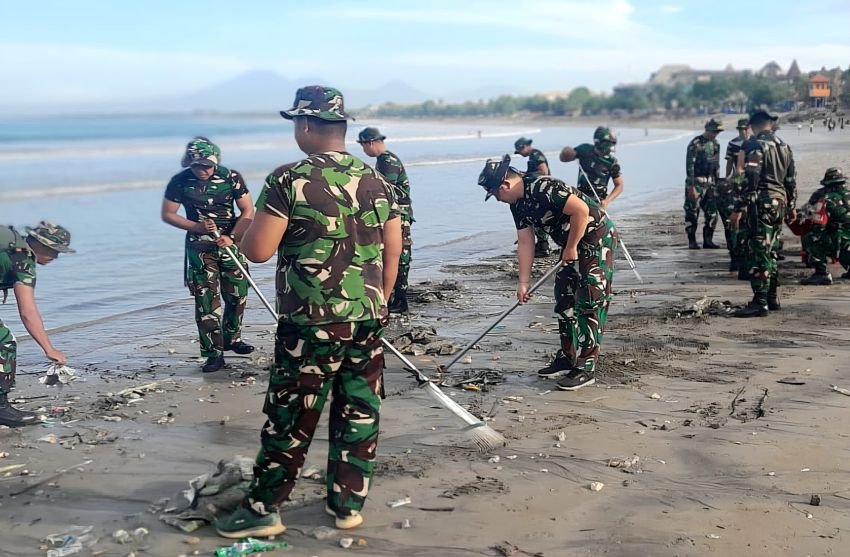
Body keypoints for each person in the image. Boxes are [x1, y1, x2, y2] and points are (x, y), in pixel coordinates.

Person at [214, 86, 402, 538]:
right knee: (359, 408)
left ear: (304, 125)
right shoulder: (379, 181)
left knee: (292, 415)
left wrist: (240, 230)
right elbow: (393, 250)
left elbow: (258, 251)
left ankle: (263, 509)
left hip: (311, 322)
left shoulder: (288, 179)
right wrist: (379, 302)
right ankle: (347, 504)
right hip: (367, 315)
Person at [477, 154, 617, 391]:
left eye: (496, 194)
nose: (499, 200)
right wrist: (523, 282)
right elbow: (525, 241)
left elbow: (581, 211)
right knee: (564, 298)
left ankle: (586, 366)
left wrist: (571, 247)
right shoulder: (518, 204)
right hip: (570, 244)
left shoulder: (543, 186)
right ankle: (567, 356)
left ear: (505, 185)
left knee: (590, 299)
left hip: (595, 239)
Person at [161, 137, 255, 373]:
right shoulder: (180, 182)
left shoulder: (230, 176)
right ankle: (214, 353)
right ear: (189, 163)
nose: (203, 170)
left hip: (230, 241)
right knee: (206, 300)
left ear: (216, 162)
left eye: (208, 165)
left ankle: (232, 339)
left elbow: (247, 210)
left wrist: (232, 237)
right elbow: (169, 214)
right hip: (200, 247)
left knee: (237, 292)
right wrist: (197, 227)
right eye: (198, 165)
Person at [0, 222, 73, 427]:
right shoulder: (23, 258)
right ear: (40, 243)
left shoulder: (10, 243)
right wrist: (49, 349)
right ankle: (1, 408)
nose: (56, 257)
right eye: (54, 251)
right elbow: (28, 312)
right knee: (4, 343)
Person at [730, 111, 797, 317]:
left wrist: (738, 208)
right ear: (771, 123)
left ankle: (760, 301)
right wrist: (792, 205)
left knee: (759, 251)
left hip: (761, 202)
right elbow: (791, 179)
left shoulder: (754, 145)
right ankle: (771, 297)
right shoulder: (784, 146)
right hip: (780, 202)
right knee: (772, 250)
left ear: (752, 125)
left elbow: (751, 179)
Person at [357, 126, 413, 313]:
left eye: (364, 146)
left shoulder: (387, 161)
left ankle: (400, 299)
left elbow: (385, 191)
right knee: (394, 254)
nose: (364, 150)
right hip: (397, 213)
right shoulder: (385, 159)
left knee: (399, 255)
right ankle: (396, 297)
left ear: (370, 143)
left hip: (399, 214)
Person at [799, 168, 850, 285]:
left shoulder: (825, 199)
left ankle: (821, 273)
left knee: (812, 237)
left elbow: (818, 226)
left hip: (843, 247)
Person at [558, 126, 624, 209]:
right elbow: (563, 158)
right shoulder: (585, 150)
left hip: (598, 200)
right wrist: (566, 152)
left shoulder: (612, 162)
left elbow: (619, 185)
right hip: (580, 196)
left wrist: (607, 201)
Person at [717, 118, 751, 275]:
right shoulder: (733, 144)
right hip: (735, 183)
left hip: (750, 183)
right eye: (740, 129)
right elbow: (729, 161)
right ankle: (735, 257)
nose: (743, 132)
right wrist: (727, 178)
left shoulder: (756, 144)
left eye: (745, 129)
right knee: (731, 221)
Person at [684, 119, 724, 249]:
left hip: (711, 183)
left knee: (713, 214)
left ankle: (708, 241)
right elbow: (690, 166)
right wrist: (691, 186)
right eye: (714, 131)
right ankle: (692, 241)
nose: (715, 134)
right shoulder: (695, 144)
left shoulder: (716, 144)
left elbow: (716, 166)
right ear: (707, 129)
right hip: (696, 183)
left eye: (717, 132)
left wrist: (717, 184)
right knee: (692, 213)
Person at [514, 137, 552, 257]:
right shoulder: (533, 156)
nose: (520, 154)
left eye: (520, 152)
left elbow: (543, 172)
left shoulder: (536, 155)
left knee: (538, 216)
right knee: (536, 216)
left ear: (524, 147)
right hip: (539, 189)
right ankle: (541, 244)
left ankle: (543, 246)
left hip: (542, 190)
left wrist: (526, 175)